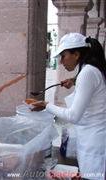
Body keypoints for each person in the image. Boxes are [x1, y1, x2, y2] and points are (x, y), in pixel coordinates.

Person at [30, 33, 106, 180]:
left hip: (95, 140)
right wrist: (75, 81)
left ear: (76, 54)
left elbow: (73, 116)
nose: (61, 62)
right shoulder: (91, 70)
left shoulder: (88, 72)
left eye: (63, 56)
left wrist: (47, 106)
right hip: (92, 136)